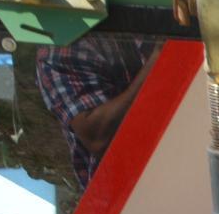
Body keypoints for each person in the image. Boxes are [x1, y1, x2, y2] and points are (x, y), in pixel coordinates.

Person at [36, 35, 157, 189]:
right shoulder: (58, 48)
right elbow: (98, 137)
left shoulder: (139, 19)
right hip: (129, 191)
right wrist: (158, 60)